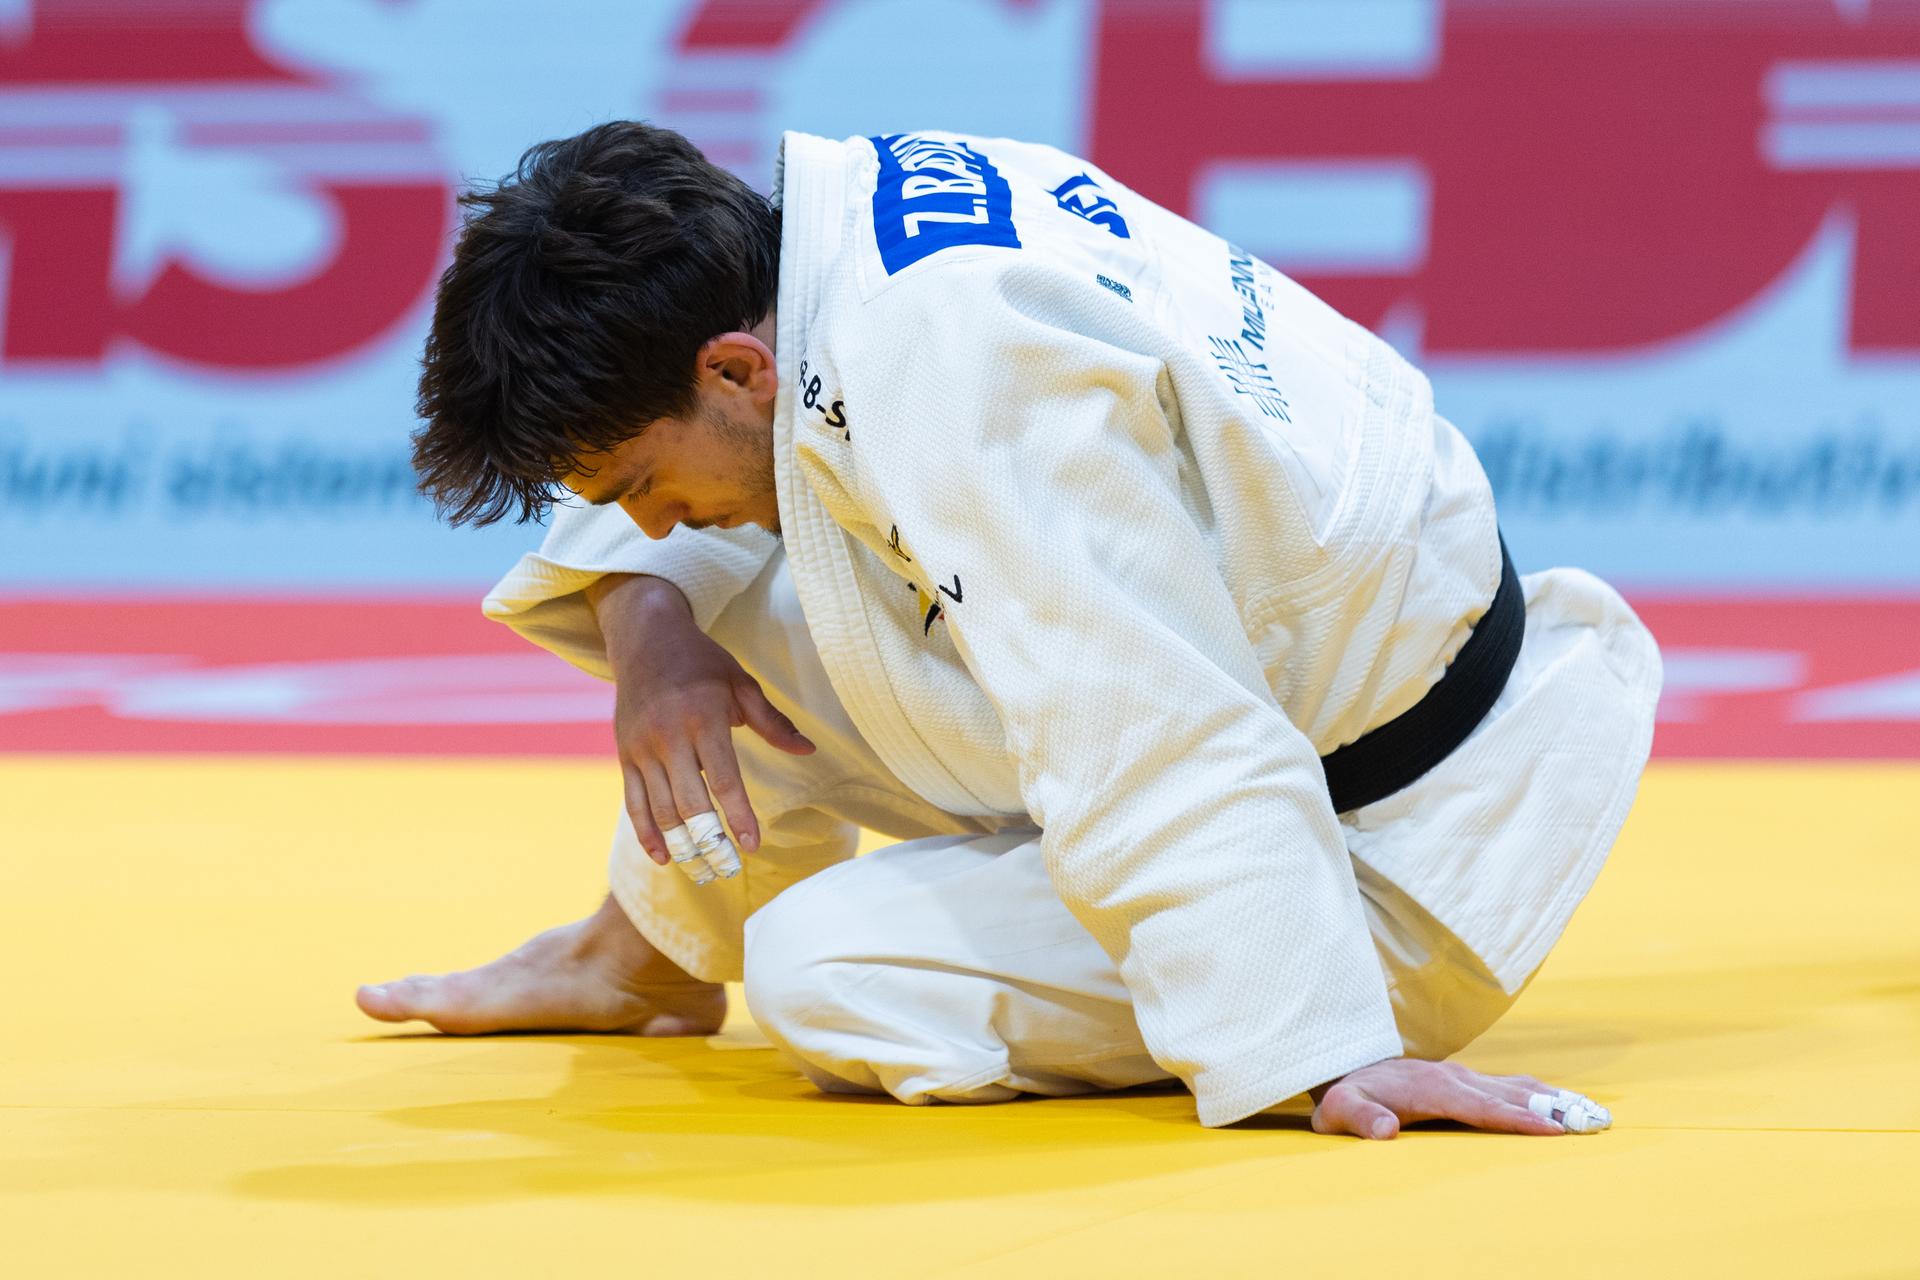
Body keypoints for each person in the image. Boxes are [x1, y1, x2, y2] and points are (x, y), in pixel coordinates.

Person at [357, 121, 1660, 1139]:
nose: (645, 528)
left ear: (734, 369)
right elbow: (700, 523)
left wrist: (1319, 1047)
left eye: (640, 485)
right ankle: (638, 954)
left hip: (1400, 850)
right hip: (1338, 664)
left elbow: (1152, 724)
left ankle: (1314, 991)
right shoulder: (843, 236)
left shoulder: (954, 379)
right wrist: (654, 638)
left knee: (821, 970)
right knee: (738, 591)